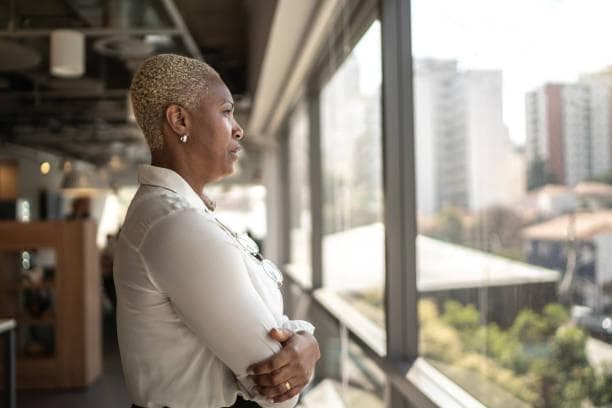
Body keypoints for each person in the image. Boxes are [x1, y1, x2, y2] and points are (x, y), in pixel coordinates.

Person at [114, 54, 320, 408]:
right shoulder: (177, 224)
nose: (238, 128)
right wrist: (306, 343)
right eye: (226, 112)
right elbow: (279, 392)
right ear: (180, 120)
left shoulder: (178, 214)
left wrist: (305, 340)